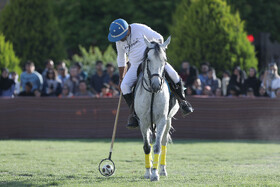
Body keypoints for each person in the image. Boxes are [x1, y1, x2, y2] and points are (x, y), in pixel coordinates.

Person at [108, 18, 193, 128]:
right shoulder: (118, 41)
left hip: (152, 61)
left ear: (127, 29)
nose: (121, 40)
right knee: (124, 86)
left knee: (174, 75)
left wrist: (155, 54)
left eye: (122, 36)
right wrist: (121, 78)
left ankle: (183, 102)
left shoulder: (139, 28)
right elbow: (121, 59)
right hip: (135, 65)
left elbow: (159, 38)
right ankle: (134, 114)